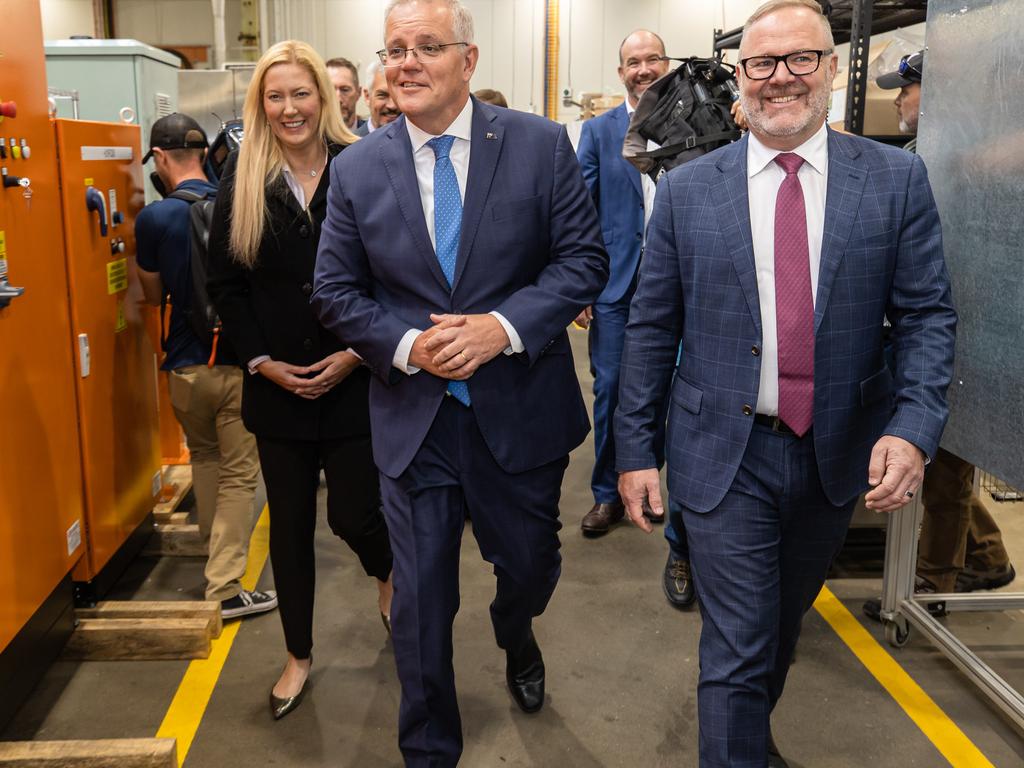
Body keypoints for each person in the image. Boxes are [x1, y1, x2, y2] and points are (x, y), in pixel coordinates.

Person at [615, 2, 956, 766]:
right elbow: (649, 329)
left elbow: (928, 316)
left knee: (777, 630)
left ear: (832, 70)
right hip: (724, 454)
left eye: (801, 59)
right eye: (761, 64)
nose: (781, 79)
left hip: (836, 456)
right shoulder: (689, 192)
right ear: (739, 78)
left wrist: (912, 425)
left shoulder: (896, 182)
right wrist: (634, 451)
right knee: (734, 650)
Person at [311, 1, 608, 764]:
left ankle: (517, 632)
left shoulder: (540, 147)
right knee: (420, 603)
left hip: (519, 413)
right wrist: (410, 345)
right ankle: (429, 748)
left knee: (530, 566)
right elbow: (335, 292)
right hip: (416, 422)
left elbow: (582, 262)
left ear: (469, 61)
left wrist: (498, 330)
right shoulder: (356, 168)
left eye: (426, 47)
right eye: (394, 50)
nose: (405, 63)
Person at [206, 40, 394, 721]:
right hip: (276, 390)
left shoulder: (364, 167)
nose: (290, 108)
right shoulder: (243, 178)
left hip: (355, 382)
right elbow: (224, 286)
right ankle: (298, 656)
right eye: (275, 96)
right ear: (262, 106)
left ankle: (388, 572)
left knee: (354, 514)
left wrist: (357, 352)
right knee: (287, 530)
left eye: (301, 93)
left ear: (327, 96)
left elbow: (393, 277)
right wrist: (261, 363)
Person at [859, 51, 1015, 620]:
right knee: (935, 454)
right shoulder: (911, 158)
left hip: (968, 332)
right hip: (915, 329)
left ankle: (932, 582)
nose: (899, 99)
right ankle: (988, 554)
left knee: (944, 459)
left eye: (909, 87)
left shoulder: (987, 155)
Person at [135, 113, 273, 621]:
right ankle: (224, 587)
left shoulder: (153, 219)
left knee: (207, 461)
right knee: (240, 475)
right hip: (238, 362)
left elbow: (151, 296)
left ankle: (216, 570)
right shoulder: (239, 208)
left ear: (162, 159)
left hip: (184, 366)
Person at [575, 29, 694, 608]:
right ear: (620, 70)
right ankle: (606, 490)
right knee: (615, 389)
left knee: (688, 397)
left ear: (666, 64)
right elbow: (579, 214)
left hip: (686, 288)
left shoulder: (694, 120)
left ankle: (678, 506)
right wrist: (583, 286)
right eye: (633, 61)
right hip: (618, 286)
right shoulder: (597, 133)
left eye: (652, 59)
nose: (643, 69)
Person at [355, 60, 401, 136]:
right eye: (382, 95)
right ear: (367, 97)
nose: (392, 106)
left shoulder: (417, 144)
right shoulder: (351, 145)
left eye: (397, 95)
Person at [326, 56, 366, 132]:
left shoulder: (372, 135)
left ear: (358, 92)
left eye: (345, 90)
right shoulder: (312, 140)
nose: (338, 99)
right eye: (330, 91)